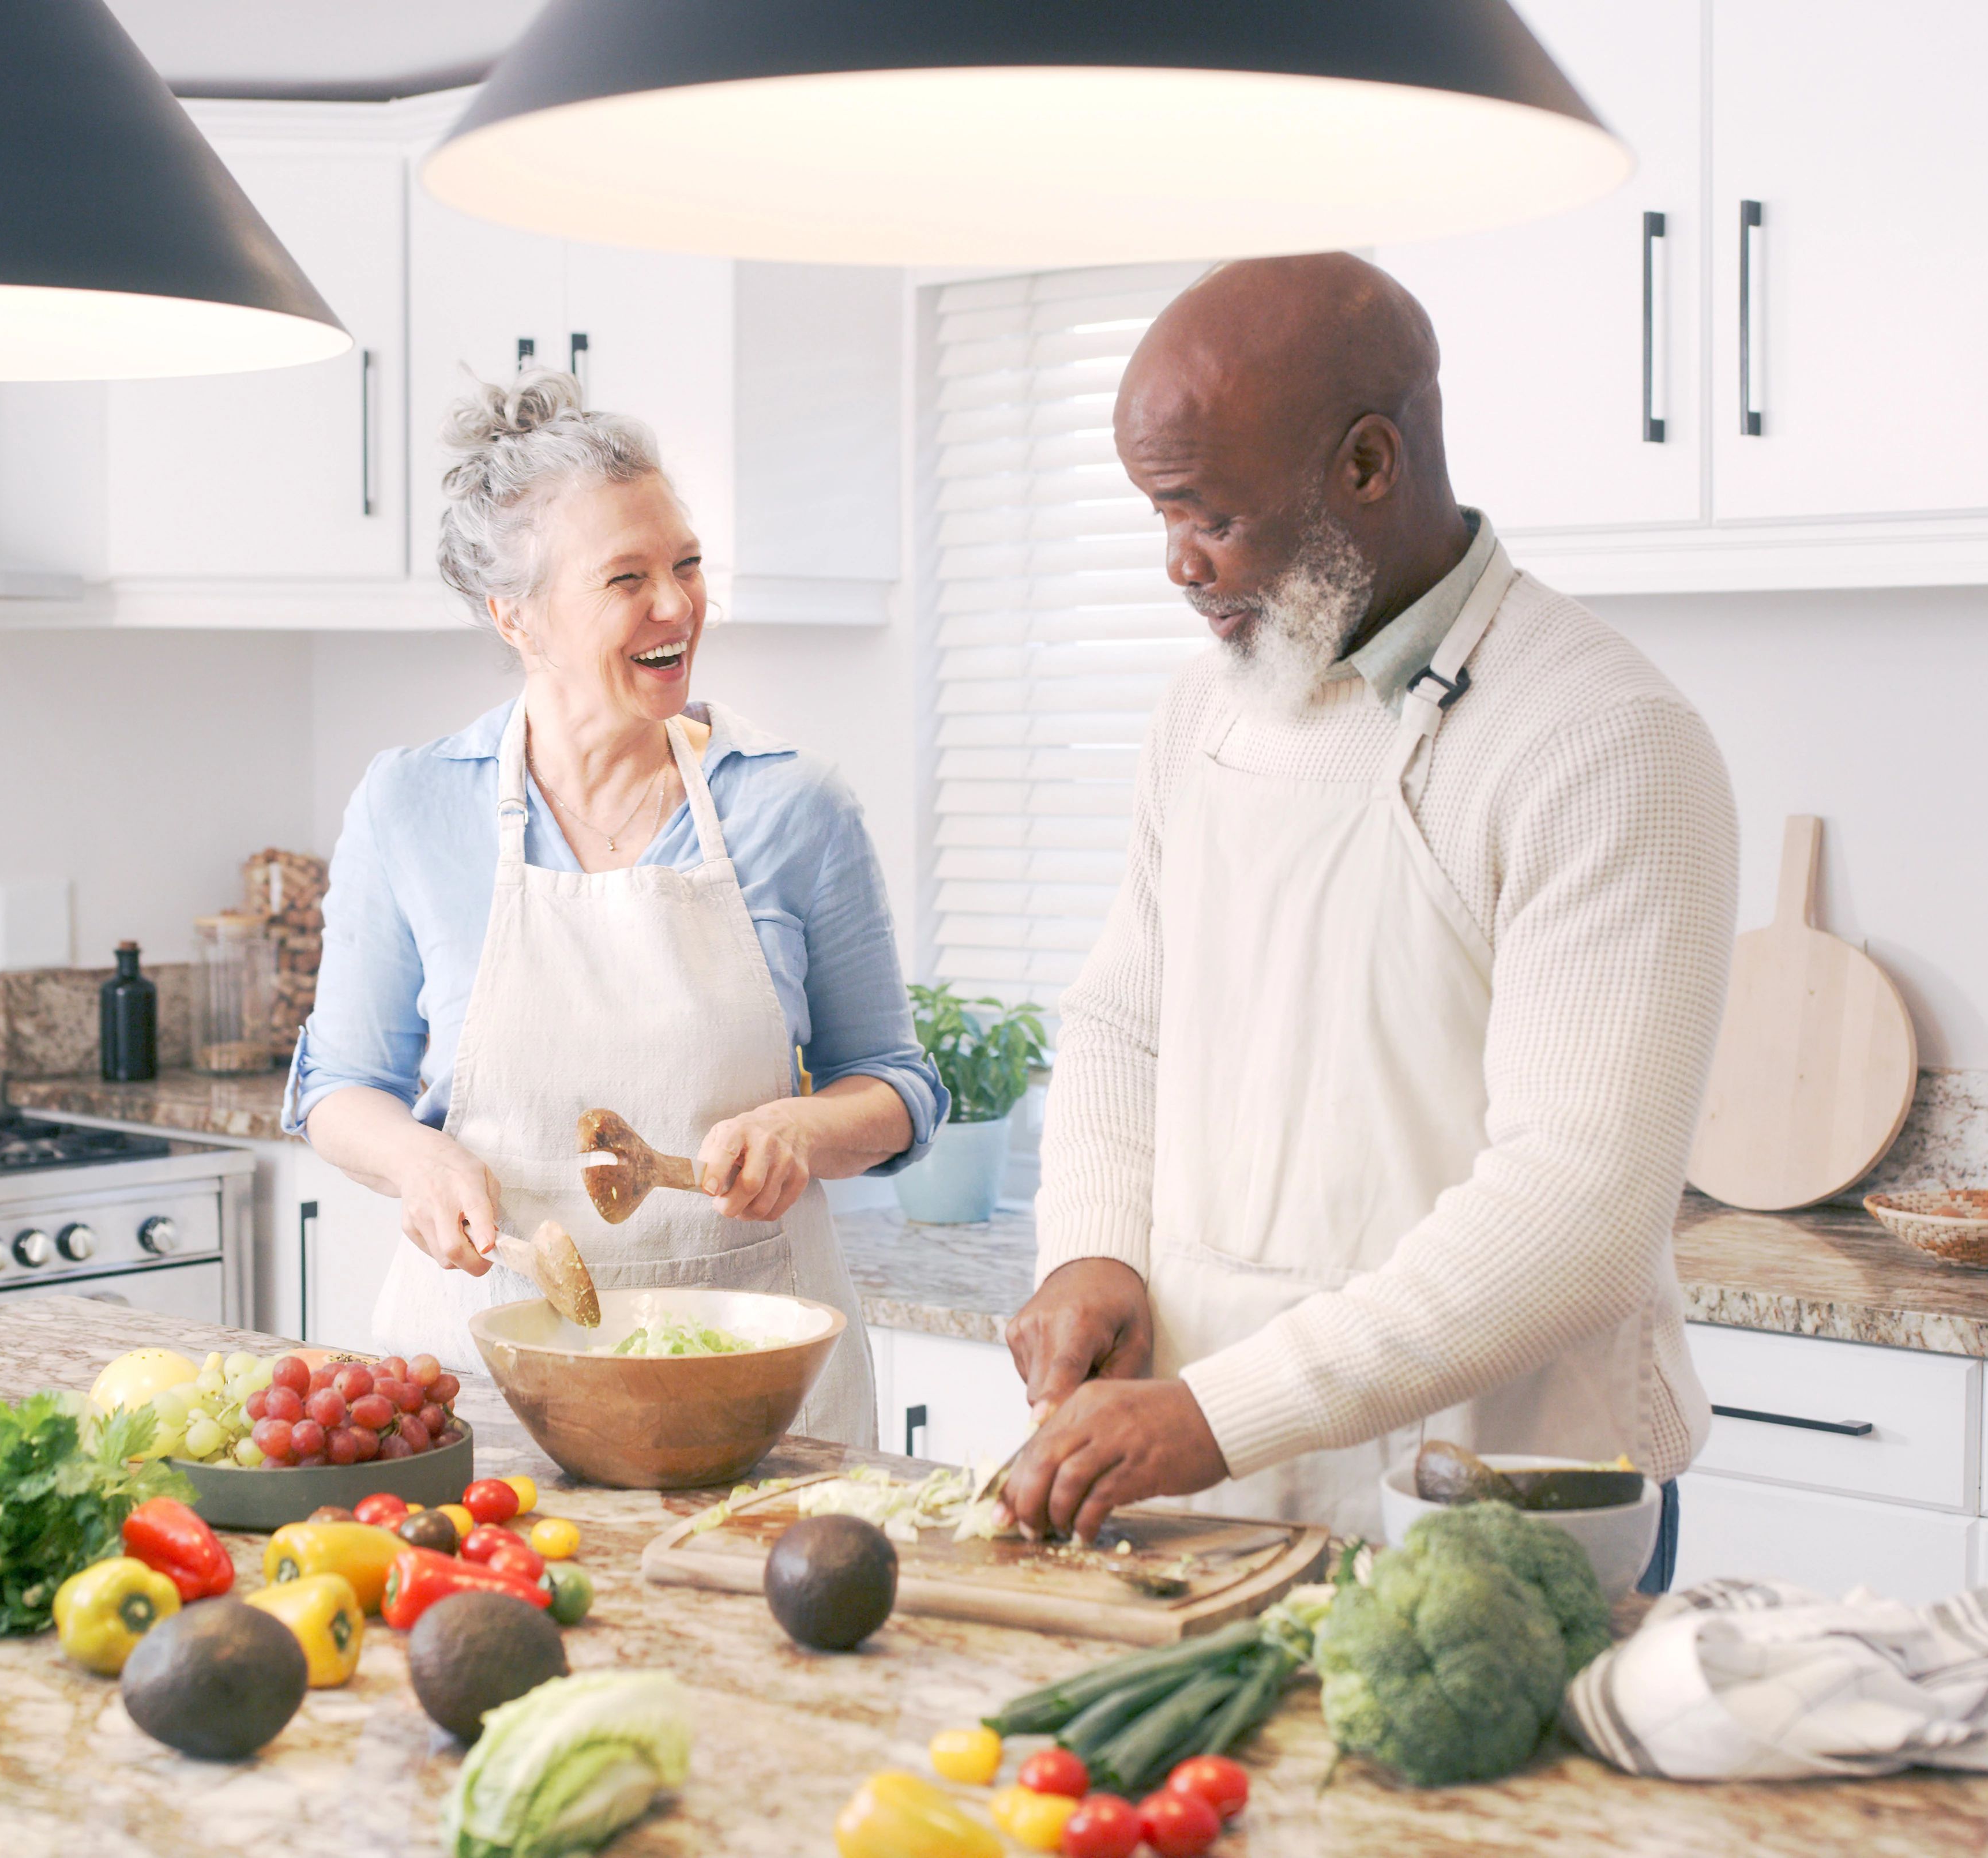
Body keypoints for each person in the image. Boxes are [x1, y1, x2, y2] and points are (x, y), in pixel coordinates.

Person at [999, 254, 1737, 1566]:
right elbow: (1124, 1018)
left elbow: (1578, 1211)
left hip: (1498, 1509)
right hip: (1214, 1487)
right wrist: (1094, 1251)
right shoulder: (1204, 712)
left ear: (1367, 466)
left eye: (1207, 513)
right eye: (1157, 514)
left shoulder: (1602, 738)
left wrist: (1216, 1414)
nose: (1177, 562)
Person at [287, 370, 945, 1447]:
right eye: (626, 578)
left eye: (686, 565)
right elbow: (339, 1087)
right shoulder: (412, 804)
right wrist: (417, 1160)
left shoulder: (793, 806)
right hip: (488, 1373)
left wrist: (804, 1128)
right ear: (517, 615)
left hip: (750, 1381)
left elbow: (900, 1086)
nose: (677, 606)